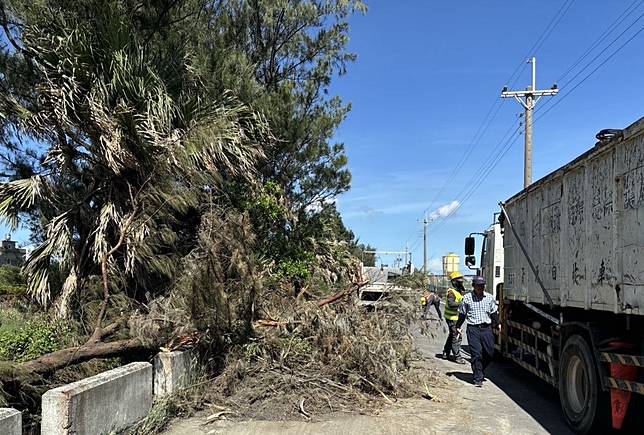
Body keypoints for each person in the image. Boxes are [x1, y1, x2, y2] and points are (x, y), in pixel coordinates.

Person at [456, 276, 501, 387]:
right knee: (476, 354)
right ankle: (478, 377)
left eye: (482, 285)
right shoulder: (467, 298)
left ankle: (478, 368)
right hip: (473, 329)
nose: (480, 287)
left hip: (486, 329)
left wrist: (498, 324)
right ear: (473, 286)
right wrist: (458, 326)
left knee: (489, 352)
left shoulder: (489, 297)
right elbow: (462, 313)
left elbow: (493, 312)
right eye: (478, 285)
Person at [442, 271, 466, 364]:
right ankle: (457, 357)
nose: (461, 283)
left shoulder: (458, 291)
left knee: (452, 335)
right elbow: (451, 304)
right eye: (460, 281)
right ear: (455, 282)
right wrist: (462, 304)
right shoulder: (451, 292)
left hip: (455, 318)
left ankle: (446, 352)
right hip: (452, 318)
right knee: (457, 336)